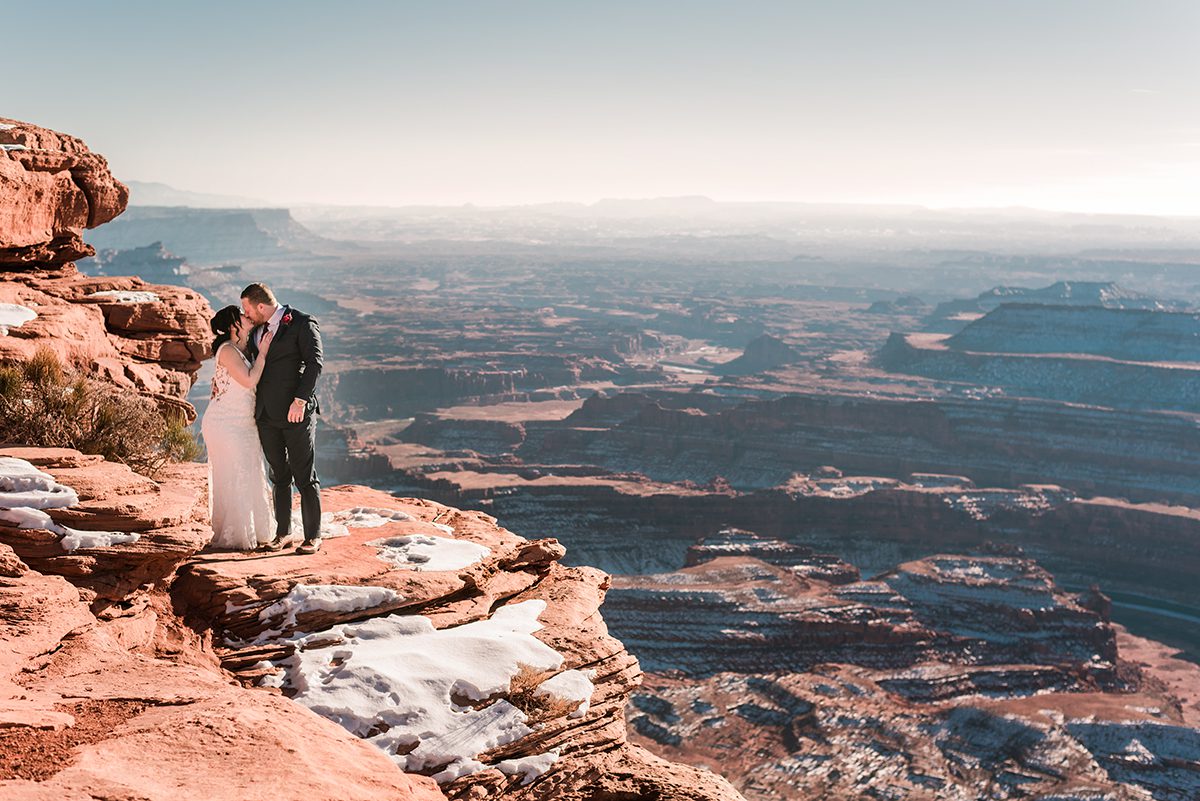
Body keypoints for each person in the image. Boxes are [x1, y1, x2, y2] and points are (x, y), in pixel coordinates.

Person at [240, 282, 325, 554]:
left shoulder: (301, 323)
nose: (247, 315)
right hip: (266, 414)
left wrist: (300, 400)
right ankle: (283, 533)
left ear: (261, 306)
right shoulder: (256, 330)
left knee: (304, 475)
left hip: (295, 412)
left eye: (247, 309)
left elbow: (315, 363)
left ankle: (313, 536)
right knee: (278, 475)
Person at [201, 305, 276, 550]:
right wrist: (263, 353)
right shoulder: (228, 351)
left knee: (250, 470)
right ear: (233, 326)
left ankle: (256, 528)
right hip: (225, 424)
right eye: (242, 316)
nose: (247, 317)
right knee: (235, 473)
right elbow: (248, 380)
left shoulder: (240, 348)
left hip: (243, 422)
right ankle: (238, 534)